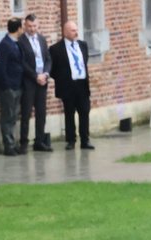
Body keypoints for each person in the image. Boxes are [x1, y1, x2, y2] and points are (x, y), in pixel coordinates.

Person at [49, 20, 95, 150]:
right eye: (73, 30)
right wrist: (62, 79)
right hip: (67, 85)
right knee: (69, 113)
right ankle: (71, 140)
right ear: (65, 32)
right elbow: (52, 68)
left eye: (76, 30)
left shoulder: (83, 45)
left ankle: (85, 140)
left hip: (82, 84)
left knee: (84, 112)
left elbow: (84, 61)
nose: (76, 33)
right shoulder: (56, 49)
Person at [19, 13, 53, 152]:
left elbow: (48, 59)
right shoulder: (21, 41)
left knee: (41, 112)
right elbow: (22, 63)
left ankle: (39, 141)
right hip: (29, 81)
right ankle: (23, 142)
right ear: (24, 26)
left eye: (34, 26)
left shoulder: (42, 39)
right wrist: (35, 76)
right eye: (29, 26)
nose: (32, 29)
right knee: (26, 113)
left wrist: (45, 74)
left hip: (42, 81)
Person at [0, 18, 26, 156]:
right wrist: (7, 86)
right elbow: (1, 68)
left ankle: (12, 143)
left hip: (17, 84)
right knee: (7, 117)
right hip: (9, 87)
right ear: (18, 28)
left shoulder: (16, 44)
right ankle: (8, 145)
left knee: (13, 116)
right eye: (22, 27)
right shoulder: (5, 45)